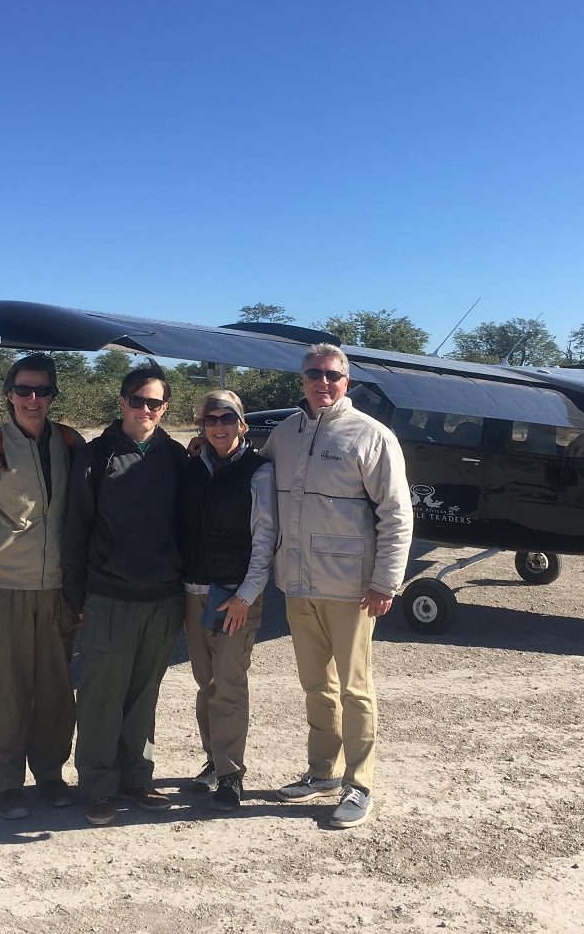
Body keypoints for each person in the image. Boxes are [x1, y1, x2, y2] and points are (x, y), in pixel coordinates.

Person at [263, 343, 413, 829]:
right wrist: (204, 449)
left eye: (332, 375)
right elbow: (253, 475)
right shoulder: (285, 433)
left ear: (346, 381)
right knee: (316, 686)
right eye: (314, 374)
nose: (322, 382)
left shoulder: (372, 436)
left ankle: (359, 784)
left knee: (355, 688)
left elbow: (397, 514)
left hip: (352, 588)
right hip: (297, 583)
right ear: (302, 379)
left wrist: (385, 581)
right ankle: (321, 772)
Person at [0, 353, 85, 819]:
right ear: (9, 393)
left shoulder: (70, 443)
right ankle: (7, 784)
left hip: (57, 592)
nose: (32, 398)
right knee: (4, 694)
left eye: (42, 390)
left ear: (53, 396)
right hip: (1, 592)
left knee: (55, 694)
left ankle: (50, 774)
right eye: (23, 389)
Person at [62, 363, 187, 827]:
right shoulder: (95, 456)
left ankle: (137, 778)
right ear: (122, 401)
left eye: (154, 403)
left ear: (165, 408)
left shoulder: (176, 457)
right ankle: (98, 786)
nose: (145, 409)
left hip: (164, 598)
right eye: (137, 400)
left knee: (143, 695)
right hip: (109, 597)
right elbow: (75, 530)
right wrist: (75, 597)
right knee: (101, 696)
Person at [176, 390, 277, 812]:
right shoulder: (192, 466)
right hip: (193, 592)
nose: (219, 426)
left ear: (242, 423)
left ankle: (231, 773)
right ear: (202, 426)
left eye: (227, 418)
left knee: (229, 684)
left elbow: (265, 539)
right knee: (206, 683)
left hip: (235, 597)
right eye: (211, 419)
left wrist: (245, 596)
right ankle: (213, 761)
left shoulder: (258, 472)